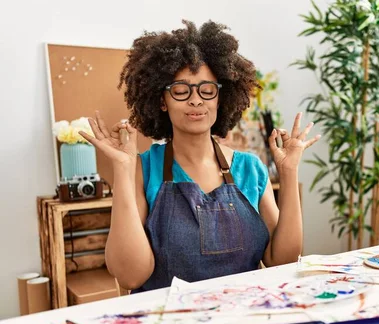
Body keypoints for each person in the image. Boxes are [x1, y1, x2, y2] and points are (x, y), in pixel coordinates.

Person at [79, 20, 319, 292]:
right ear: (162, 101)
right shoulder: (143, 169)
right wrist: (123, 168)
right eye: (181, 90)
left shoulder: (250, 169)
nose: (196, 101)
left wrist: (289, 172)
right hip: (167, 323)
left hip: (241, 316)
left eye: (207, 90)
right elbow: (130, 277)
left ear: (220, 98)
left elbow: (283, 261)